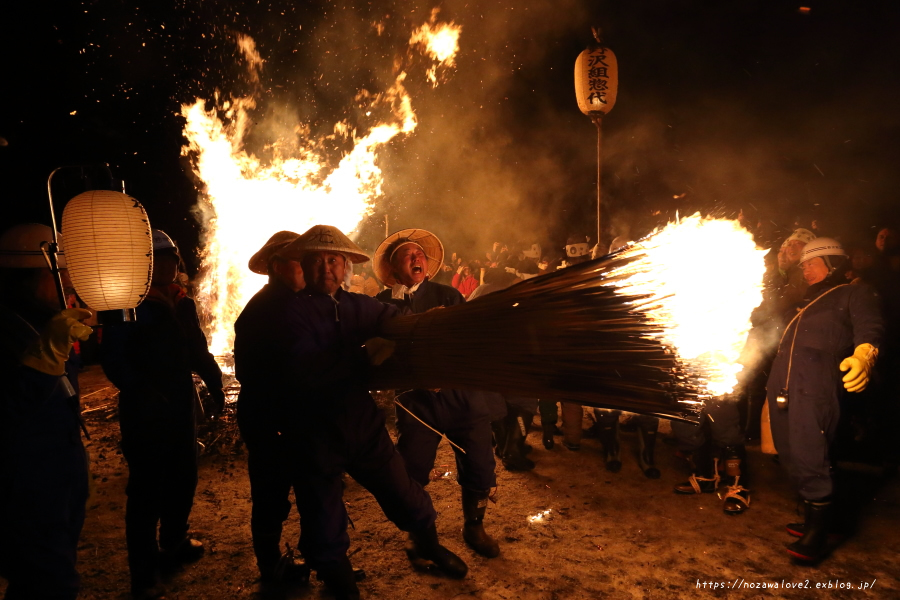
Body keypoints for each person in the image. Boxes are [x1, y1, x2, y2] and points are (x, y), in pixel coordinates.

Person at [271, 225, 467, 600]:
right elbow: (305, 369)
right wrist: (366, 357)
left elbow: (394, 321)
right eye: (317, 260)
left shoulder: (359, 306)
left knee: (406, 493)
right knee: (323, 520)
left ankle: (428, 545)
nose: (326, 267)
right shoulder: (290, 314)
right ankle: (342, 587)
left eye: (333, 259)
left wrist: (428, 325)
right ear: (305, 265)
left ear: (345, 266)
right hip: (315, 433)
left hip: (362, 426)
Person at [101, 229, 225, 599]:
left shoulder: (181, 303)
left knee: (183, 478)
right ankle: (143, 574)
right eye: (156, 260)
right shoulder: (124, 305)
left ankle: (174, 541)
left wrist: (215, 383)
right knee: (146, 491)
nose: (165, 266)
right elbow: (114, 360)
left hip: (179, 405)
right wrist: (140, 391)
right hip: (144, 412)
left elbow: (197, 350)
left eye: (169, 259)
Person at [374, 229, 501, 558]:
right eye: (407, 254)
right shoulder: (381, 305)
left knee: (479, 464)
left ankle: (474, 526)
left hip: (461, 397)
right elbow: (378, 352)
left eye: (420, 254)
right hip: (417, 403)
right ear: (392, 267)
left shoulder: (448, 295)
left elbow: (465, 339)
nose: (416, 258)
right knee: (412, 469)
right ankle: (420, 534)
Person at [766, 237, 883, 562]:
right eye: (802, 264)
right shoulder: (803, 301)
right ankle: (823, 518)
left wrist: (864, 356)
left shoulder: (854, 292)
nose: (804, 268)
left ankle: (818, 533)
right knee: (787, 447)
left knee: (809, 447)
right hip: (783, 380)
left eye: (811, 263)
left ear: (832, 264)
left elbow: (870, 326)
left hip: (815, 382)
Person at [0, 224, 91, 600]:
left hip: (58, 473)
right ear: (28, 277)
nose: (68, 283)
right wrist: (39, 365)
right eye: (58, 273)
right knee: (51, 585)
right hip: (23, 483)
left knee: (41, 579)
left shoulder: (42, 324)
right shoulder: (6, 331)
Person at [233, 231, 313, 589]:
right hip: (273, 421)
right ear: (279, 266)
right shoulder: (265, 310)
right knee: (271, 496)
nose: (308, 268)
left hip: (288, 418)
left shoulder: (302, 303)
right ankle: (272, 568)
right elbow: (256, 374)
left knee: (314, 491)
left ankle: (320, 558)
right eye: (301, 261)